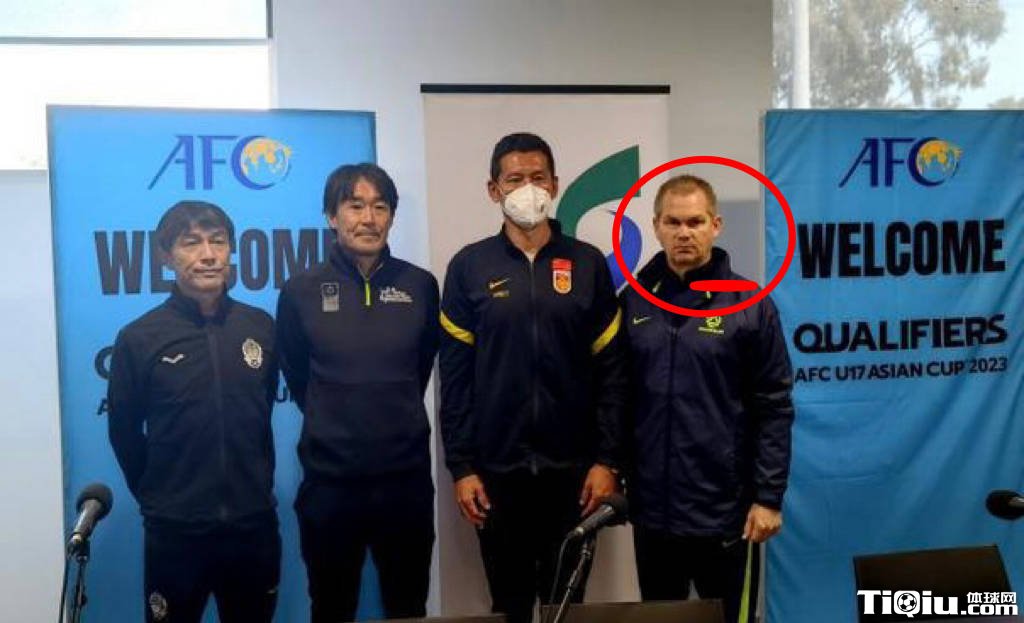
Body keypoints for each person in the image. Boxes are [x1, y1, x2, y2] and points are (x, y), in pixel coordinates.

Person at [439, 132, 628, 623]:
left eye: (538, 178)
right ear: (494, 190)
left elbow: (612, 372)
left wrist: (607, 459)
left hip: (576, 477)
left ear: (555, 185)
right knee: (510, 607)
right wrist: (462, 467)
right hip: (496, 476)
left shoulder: (588, 264)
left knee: (567, 606)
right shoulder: (468, 267)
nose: (528, 189)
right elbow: (455, 380)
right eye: (514, 179)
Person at [620, 174, 795, 623]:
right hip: (654, 515)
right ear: (656, 226)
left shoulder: (750, 305)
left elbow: (774, 406)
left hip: (726, 514)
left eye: (695, 222)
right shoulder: (633, 302)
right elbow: (617, 397)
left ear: (716, 225)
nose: (684, 233)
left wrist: (768, 498)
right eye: (673, 222)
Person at [276, 163, 438, 622]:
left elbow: (419, 368)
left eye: (380, 207)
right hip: (330, 486)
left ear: (391, 216)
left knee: (408, 608)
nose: (368, 219)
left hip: (405, 484)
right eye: (355, 206)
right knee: (331, 608)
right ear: (332, 216)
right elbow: (299, 376)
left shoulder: (421, 286)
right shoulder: (300, 291)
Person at [107, 200, 280, 623]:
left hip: (253, 528)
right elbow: (123, 432)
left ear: (230, 250)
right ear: (166, 257)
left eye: (217, 242)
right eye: (191, 243)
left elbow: (262, 415)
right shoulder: (139, 338)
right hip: (176, 535)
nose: (208, 255)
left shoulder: (260, 326)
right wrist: (162, 498)